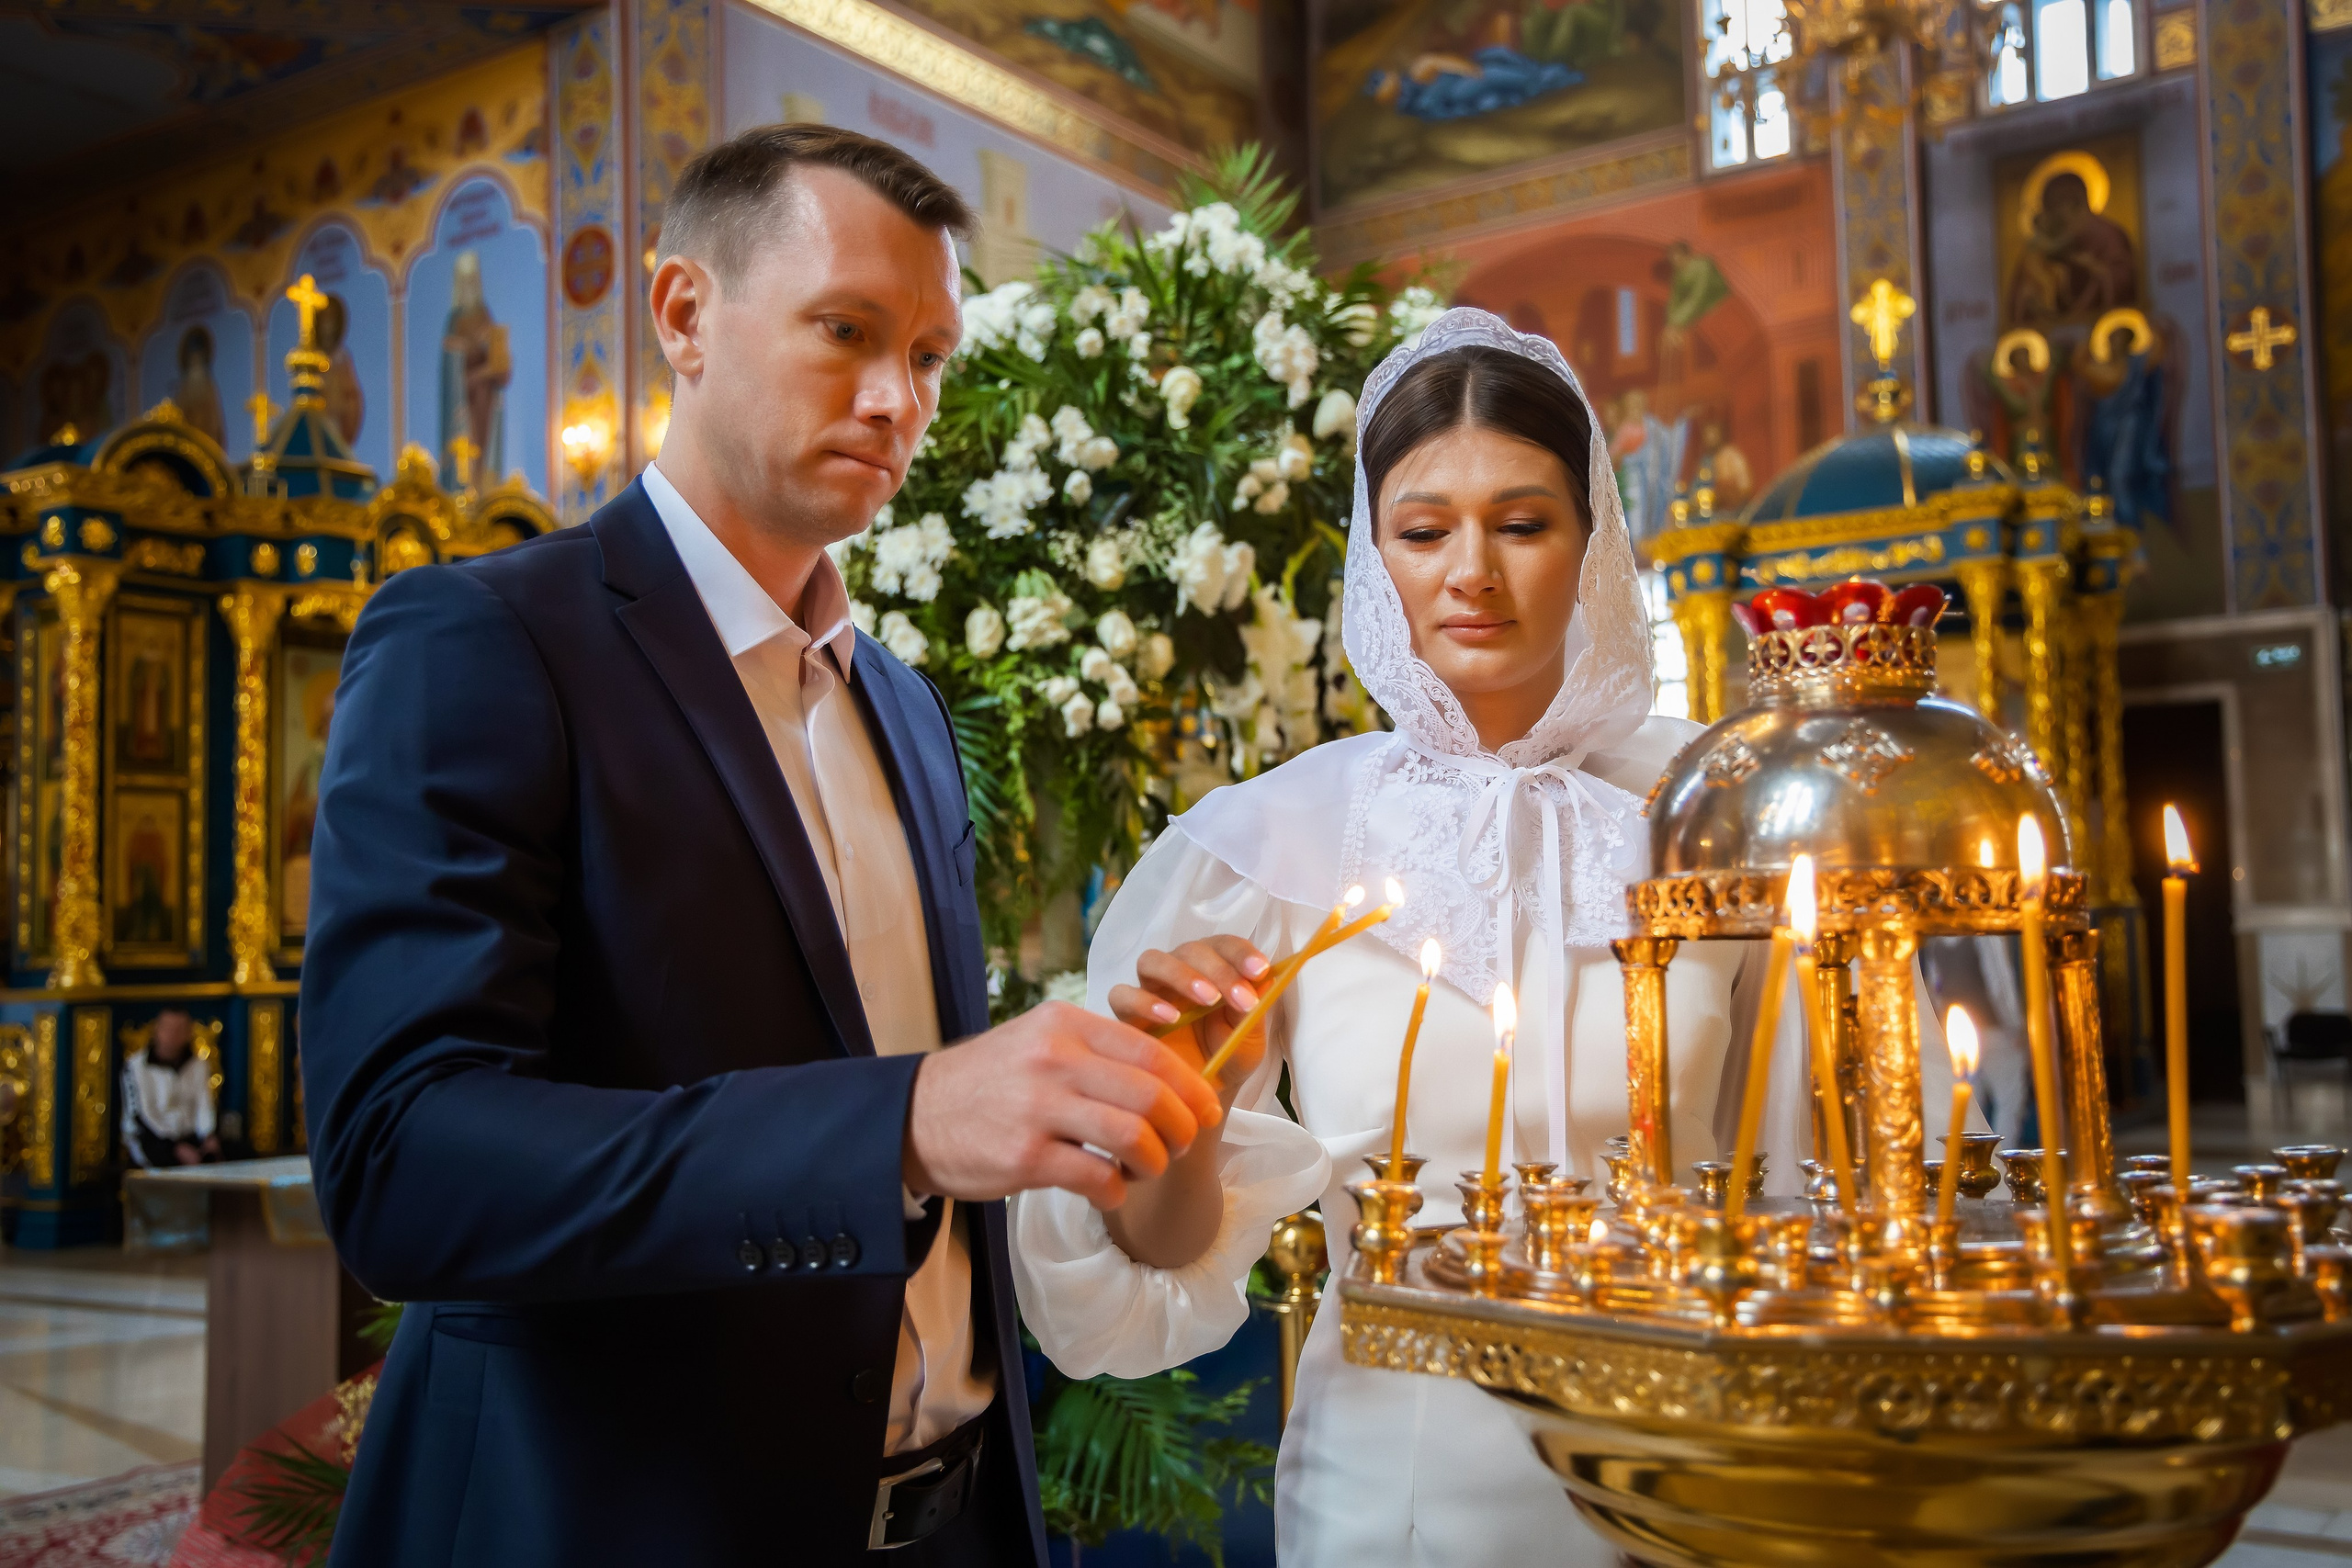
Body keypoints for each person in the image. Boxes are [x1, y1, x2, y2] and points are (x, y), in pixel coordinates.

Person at [301, 124, 1221, 1568]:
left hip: (962, 1515)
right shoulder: (488, 642)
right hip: (628, 1519)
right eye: (845, 330)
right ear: (684, 314)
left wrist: (1120, 1073)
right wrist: (901, 1123)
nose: (895, 399)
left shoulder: (907, 710)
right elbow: (403, 1160)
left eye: (927, 355)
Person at [1012, 310, 1974, 1565]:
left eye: (1523, 523)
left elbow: (1835, 1183)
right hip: (1392, 1497)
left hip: (1692, 1486)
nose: (1472, 569)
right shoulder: (1273, 842)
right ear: (1376, 556)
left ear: (1591, 545)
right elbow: (1150, 1257)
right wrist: (1175, 1106)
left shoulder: (1722, 814)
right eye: (1424, 530)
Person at [122, 1009, 219, 1168]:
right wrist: (175, 1147)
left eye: (180, 1030)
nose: (173, 1035)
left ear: (189, 1033)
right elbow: (143, 1114)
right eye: (168, 1029)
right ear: (157, 1031)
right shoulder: (136, 1066)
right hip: (152, 1138)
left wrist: (208, 1135)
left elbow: (204, 1104)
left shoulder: (198, 1065)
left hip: (190, 1136)